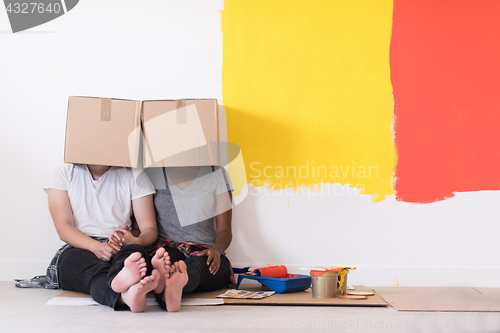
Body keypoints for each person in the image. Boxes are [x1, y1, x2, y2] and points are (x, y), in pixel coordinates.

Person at [39, 163, 169, 312]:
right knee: (93, 271)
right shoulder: (64, 173)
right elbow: (63, 228)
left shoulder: (134, 175)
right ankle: (124, 292)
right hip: (80, 246)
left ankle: (126, 287)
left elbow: (149, 230)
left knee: (135, 253)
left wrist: (135, 240)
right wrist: (96, 247)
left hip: (119, 246)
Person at [114, 165, 234, 312]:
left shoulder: (216, 173)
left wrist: (217, 249)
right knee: (167, 261)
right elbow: (140, 226)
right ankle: (169, 286)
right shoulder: (151, 174)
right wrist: (129, 236)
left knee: (198, 265)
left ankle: (172, 282)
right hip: (165, 248)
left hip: (204, 250)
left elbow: (225, 229)